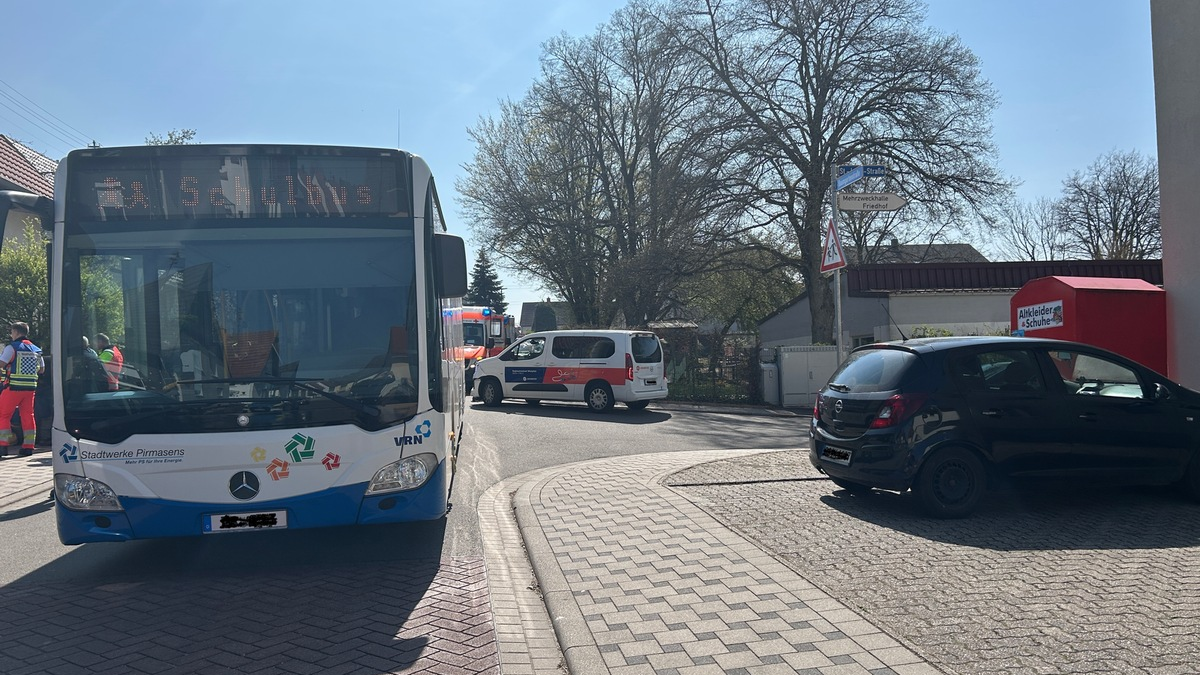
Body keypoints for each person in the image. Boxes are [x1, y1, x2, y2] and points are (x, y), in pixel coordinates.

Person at [0, 322, 45, 457]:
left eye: (12, 332)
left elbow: (1, 364)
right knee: (28, 416)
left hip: (13, 387)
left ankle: (3, 446)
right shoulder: (36, 349)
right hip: (30, 388)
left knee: (3, 415)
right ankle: (28, 447)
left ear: (16, 332)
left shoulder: (11, 348)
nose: (11, 335)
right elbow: (42, 370)